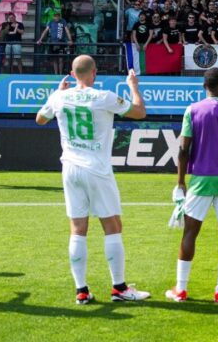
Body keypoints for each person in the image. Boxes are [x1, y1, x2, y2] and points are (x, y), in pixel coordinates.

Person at [34, 57, 150, 304]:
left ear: (72, 74)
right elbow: (140, 112)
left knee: (78, 229)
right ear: (94, 73)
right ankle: (119, 288)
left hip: (70, 169)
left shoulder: (59, 97)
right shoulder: (103, 96)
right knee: (113, 226)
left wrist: (57, 94)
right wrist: (133, 87)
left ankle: (81, 291)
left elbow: (40, 119)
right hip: (97, 169)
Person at [167, 67, 218, 304]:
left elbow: (183, 150)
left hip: (201, 179)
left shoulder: (192, 110)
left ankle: (181, 290)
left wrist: (181, 182)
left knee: (190, 232)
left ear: (205, 87)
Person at [37, 11, 73, 76]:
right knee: (54, 59)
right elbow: (45, 30)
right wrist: (40, 40)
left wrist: (70, 40)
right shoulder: (51, 22)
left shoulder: (63, 21)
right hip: (53, 43)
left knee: (61, 59)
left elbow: (67, 30)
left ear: (59, 16)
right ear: (53, 16)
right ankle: (56, 74)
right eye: (55, 16)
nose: (56, 17)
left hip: (61, 43)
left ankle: (60, 74)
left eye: (58, 16)